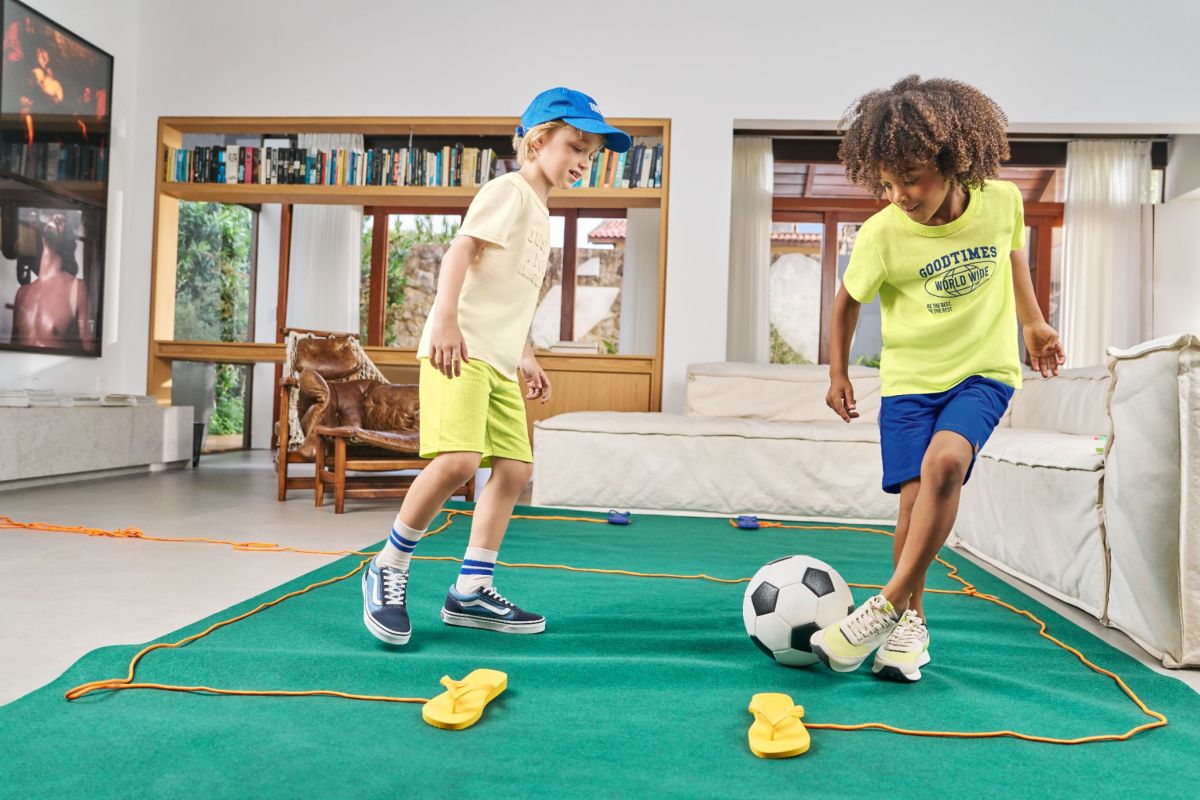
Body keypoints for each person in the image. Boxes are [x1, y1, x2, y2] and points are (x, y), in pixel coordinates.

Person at [808, 75, 1066, 682]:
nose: (899, 194)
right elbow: (846, 303)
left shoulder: (1001, 201)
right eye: (888, 183)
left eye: (913, 179)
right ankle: (909, 629)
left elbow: (1012, 255)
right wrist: (838, 373)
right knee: (914, 504)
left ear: (953, 163)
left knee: (946, 464)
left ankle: (884, 605)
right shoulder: (882, 233)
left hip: (983, 370)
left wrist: (1032, 323)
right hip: (908, 382)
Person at [361, 87, 631, 645]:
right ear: (537, 141)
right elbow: (461, 252)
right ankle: (388, 564)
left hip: (500, 359)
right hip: (460, 351)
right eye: (574, 145)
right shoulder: (508, 191)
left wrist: (525, 354)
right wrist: (444, 323)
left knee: (513, 470)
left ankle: (470, 589)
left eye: (591, 153)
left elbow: (512, 294)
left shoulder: (540, 210)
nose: (582, 160)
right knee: (459, 460)